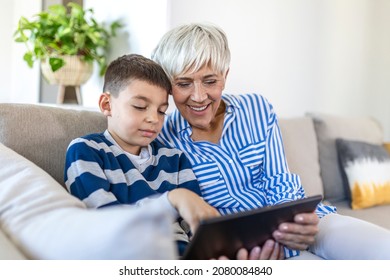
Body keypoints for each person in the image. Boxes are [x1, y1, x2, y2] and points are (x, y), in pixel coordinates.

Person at [151, 22, 390, 259]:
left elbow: (279, 179)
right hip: (239, 247)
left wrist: (292, 225)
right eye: (184, 83)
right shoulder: (162, 137)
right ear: (168, 87)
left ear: (225, 76)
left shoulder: (257, 108)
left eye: (210, 81)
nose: (199, 96)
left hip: (299, 223)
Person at [64, 54, 219, 257]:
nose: (153, 119)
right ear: (106, 105)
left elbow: (196, 228)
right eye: (140, 106)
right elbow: (105, 223)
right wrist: (171, 200)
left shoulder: (175, 159)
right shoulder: (85, 151)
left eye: (162, 111)